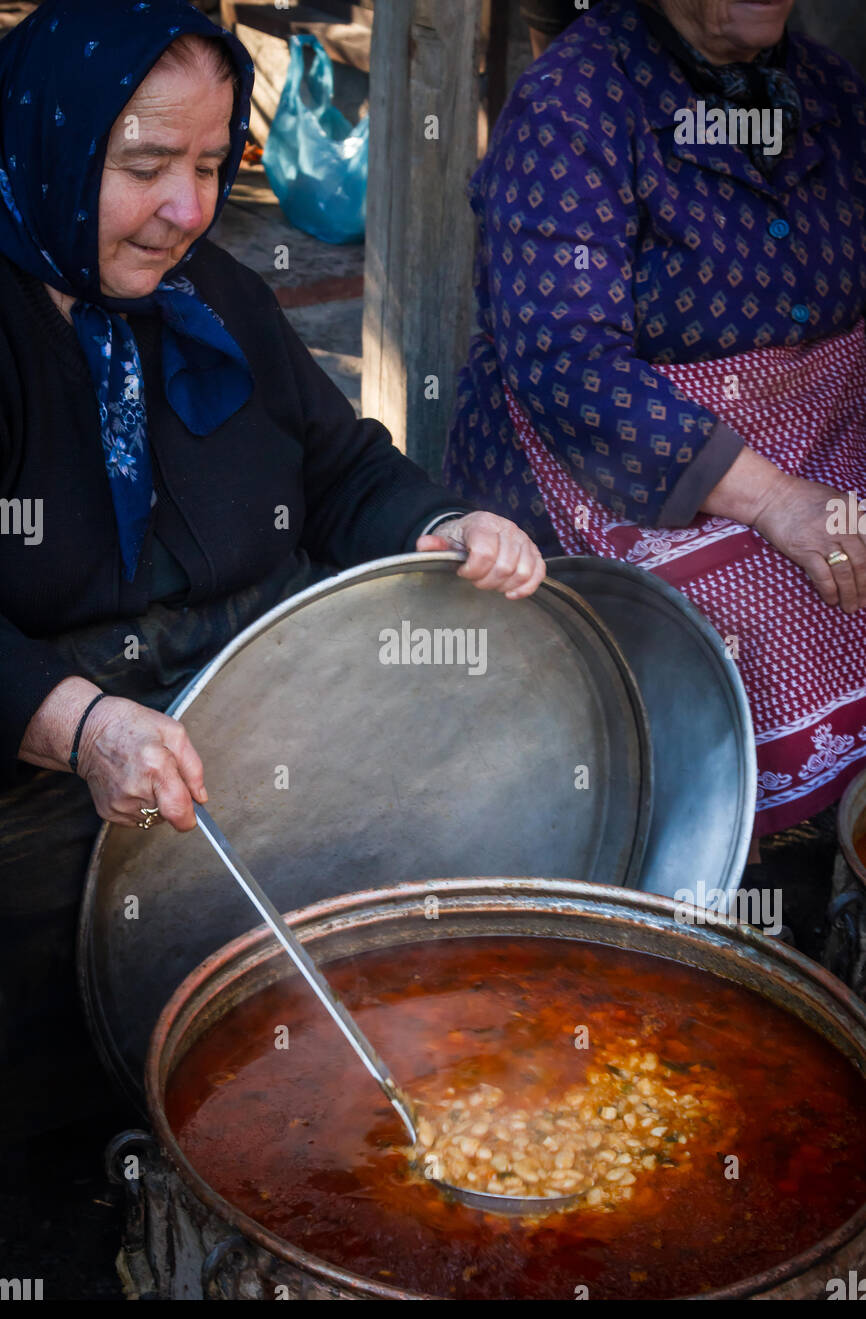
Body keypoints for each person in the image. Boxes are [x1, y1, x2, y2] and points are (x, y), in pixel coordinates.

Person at [0, 0, 544, 1127]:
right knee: (65, 1113)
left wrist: (439, 528)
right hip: (39, 809)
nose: (187, 211)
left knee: (295, 1077)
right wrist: (85, 725)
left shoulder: (220, 300)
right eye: (144, 164)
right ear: (45, 139)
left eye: (211, 163)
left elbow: (338, 468)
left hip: (261, 752)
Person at [445, 0, 866, 843]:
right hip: (629, 458)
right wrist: (778, 500)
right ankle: (745, 869)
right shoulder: (573, 107)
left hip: (827, 426)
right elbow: (565, 359)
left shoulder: (829, 92)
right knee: (762, 617)